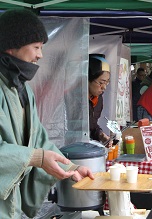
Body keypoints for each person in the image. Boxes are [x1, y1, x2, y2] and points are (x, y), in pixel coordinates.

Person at [0, 9, 94, 218]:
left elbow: (38, 139)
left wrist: (71, 167)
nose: (40, 55)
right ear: (11, 47)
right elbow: (37, 152)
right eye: (36, 47)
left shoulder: (22, 90)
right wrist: (37, 158)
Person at [88, 54, 112, 147]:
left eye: (107, 82)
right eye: (101, 83)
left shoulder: (98, 99)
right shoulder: (73, 99)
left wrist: (101, 135)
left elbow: (92, 125)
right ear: (88, 79)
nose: (104, 87)